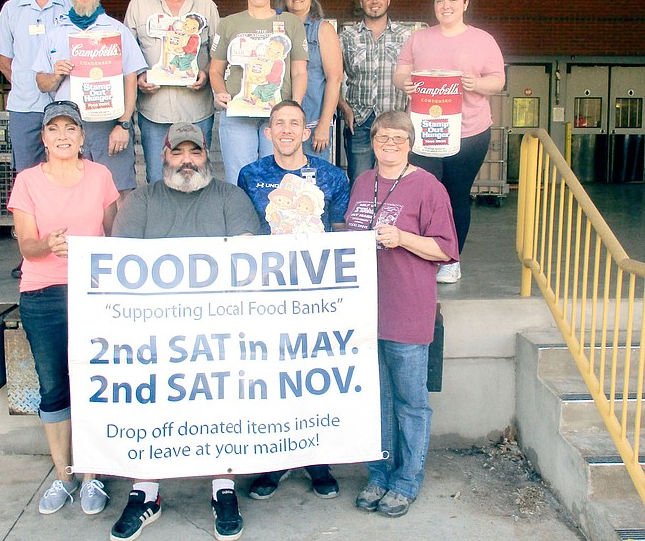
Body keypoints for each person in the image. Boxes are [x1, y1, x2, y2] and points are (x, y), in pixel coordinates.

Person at [110, 122, 261, 541]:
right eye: (179, 153)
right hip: (155, 332)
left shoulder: (231, 198)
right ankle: (146, 492)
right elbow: (119, 265)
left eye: (195, 152)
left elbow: (249, 265)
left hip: (220, 329)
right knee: (150, 404)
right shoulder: (142, 200)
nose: (188, 161)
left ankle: (223, 487)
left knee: (223, 404)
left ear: (206, 155)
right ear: (164, 155)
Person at [7, 100, 119, 516]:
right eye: (53, 130)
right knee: (53, 384)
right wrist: (46, 246)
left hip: (93, 292)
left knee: (94, 380)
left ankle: (92, 475)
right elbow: (26, 246)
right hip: (43, 293)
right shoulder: (27, 181)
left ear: (81, 135)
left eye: (70, 128)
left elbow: (113, 234)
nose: (62, 136)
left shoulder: (101, 176)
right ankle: (63, 475)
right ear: (43, 138)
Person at [344, 110, 458, 518]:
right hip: (363, 312)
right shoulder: (362, 182)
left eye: (397, 139)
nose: (389, 146)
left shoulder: (428, 188)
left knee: (410, 402)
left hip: (407, 309)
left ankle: (407, 480)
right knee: (375, 400)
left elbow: (445, 249)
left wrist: (404, 238)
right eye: (381, 139)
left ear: (410, 143)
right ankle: (379, 474)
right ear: (372, 142)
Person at [237, 99, 349, 499]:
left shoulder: (332, 176)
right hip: (267, 293)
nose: (286, 130)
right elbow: (245, 230)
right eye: (278, 123)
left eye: (295, 124)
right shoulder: (250, 174)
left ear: (306, 132)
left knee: (312, 374)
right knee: (274, 377)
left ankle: (317, 458)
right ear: (268, 132)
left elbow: (340, 232)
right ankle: (274, 461)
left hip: (314, 293)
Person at [393, 0, 505, 284]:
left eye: (453, 0)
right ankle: (421, 254)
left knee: (456, 195)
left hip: (469, 132)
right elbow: (400, 74)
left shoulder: (483, 40)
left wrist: (477, 83)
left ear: (465, 3)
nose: (446, 6)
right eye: (440, 0)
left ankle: (451, 259)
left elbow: (498, 81)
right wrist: (407, 84)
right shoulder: (419, 38)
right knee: (424, 193)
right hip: (425, 132)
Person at [0, 0, 71, 278]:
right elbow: (4, 61)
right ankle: (32, 253)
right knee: (27, 180)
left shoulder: (70, 8)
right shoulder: (11, 9)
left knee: (66, 177)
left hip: (65, 106)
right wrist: (28, 85)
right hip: (25, 107)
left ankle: (67, 251)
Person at [34, 0, 147, 196]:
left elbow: (131, 80)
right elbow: (41, 83)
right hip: (69, 128)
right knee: (69, 192)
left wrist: (124, 124)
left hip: (109, 126)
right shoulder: (55, 33)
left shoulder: (117, 31)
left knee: (117, 193)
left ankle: (116, 235)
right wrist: (56, 75)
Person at [125, 0, 220, 183]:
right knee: (158, 178)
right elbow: (126, 53)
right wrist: (138, 77)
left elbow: (220, 53)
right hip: (154, 111)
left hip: (197, 110)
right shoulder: (138, 5)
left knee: (197, 177)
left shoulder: (206, 6)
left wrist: (207, 73)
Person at [210, 0, 308, 184]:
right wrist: (220, 92)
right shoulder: (228, 24)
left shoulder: (292, 23)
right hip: (238, 113)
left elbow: (300, 72)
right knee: (239, 179)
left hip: (277, 115)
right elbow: (215, 70)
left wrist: (294, 107)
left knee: (278, 177)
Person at [339, 0, 411, 183]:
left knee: (397, 181)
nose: (374, 1)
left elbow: (416, 79)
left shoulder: (406, 36)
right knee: (360, 181)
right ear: (361, 3)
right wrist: (344, 108)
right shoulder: (347, 36)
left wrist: (409, 114)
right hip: (359, 121)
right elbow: (332, 78)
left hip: (396, 120)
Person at [277, 0, 343, 161]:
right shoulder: (276, 27)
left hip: (312, 122)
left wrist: (323, 125)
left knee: (312, 183)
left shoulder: (322, 29)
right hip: (279, 122)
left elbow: (335, 79)